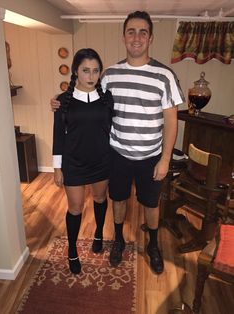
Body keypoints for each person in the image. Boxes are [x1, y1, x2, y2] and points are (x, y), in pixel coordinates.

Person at [51, 11, 185, 275]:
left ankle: (153, 246)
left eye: (143, 32)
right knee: (118, 200)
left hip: (151, 156)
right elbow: (83, 92)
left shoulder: (164, 75)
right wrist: (58, 101)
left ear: (150, 38)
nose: (136, 37)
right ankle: (119, 240)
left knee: (151, 204)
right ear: (123, 36)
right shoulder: (110, 75)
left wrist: (166, 158)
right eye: (131, 31)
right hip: (117, 155)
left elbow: (172, 120)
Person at [52, 48, 114, 274]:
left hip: (101, 161)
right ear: (75, 71)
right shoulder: (62, 101)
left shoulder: (107, 98)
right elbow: (58, 135)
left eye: (95, 71)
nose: (91, 76)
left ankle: (98, 233)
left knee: (100, 198)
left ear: (100, 73)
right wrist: (57, 168)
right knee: (75, 208)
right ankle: (72, 249)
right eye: (86, 70)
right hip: (74, 163)